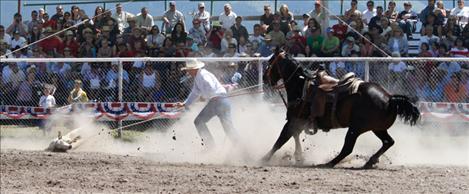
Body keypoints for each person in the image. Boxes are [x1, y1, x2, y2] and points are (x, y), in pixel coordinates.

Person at [176, 59, 241, 149]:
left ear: (193, 69)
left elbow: (210, 85)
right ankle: (240, 148)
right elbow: (195, 93)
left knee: (199, 122)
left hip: (217, 101)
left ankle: (211, 147)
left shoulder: (203, 75)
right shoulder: (199, 76)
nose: (187, 71)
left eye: (188, 69)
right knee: (227, 128)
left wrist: (205, 96)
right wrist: (185, 104)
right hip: (221, 101)